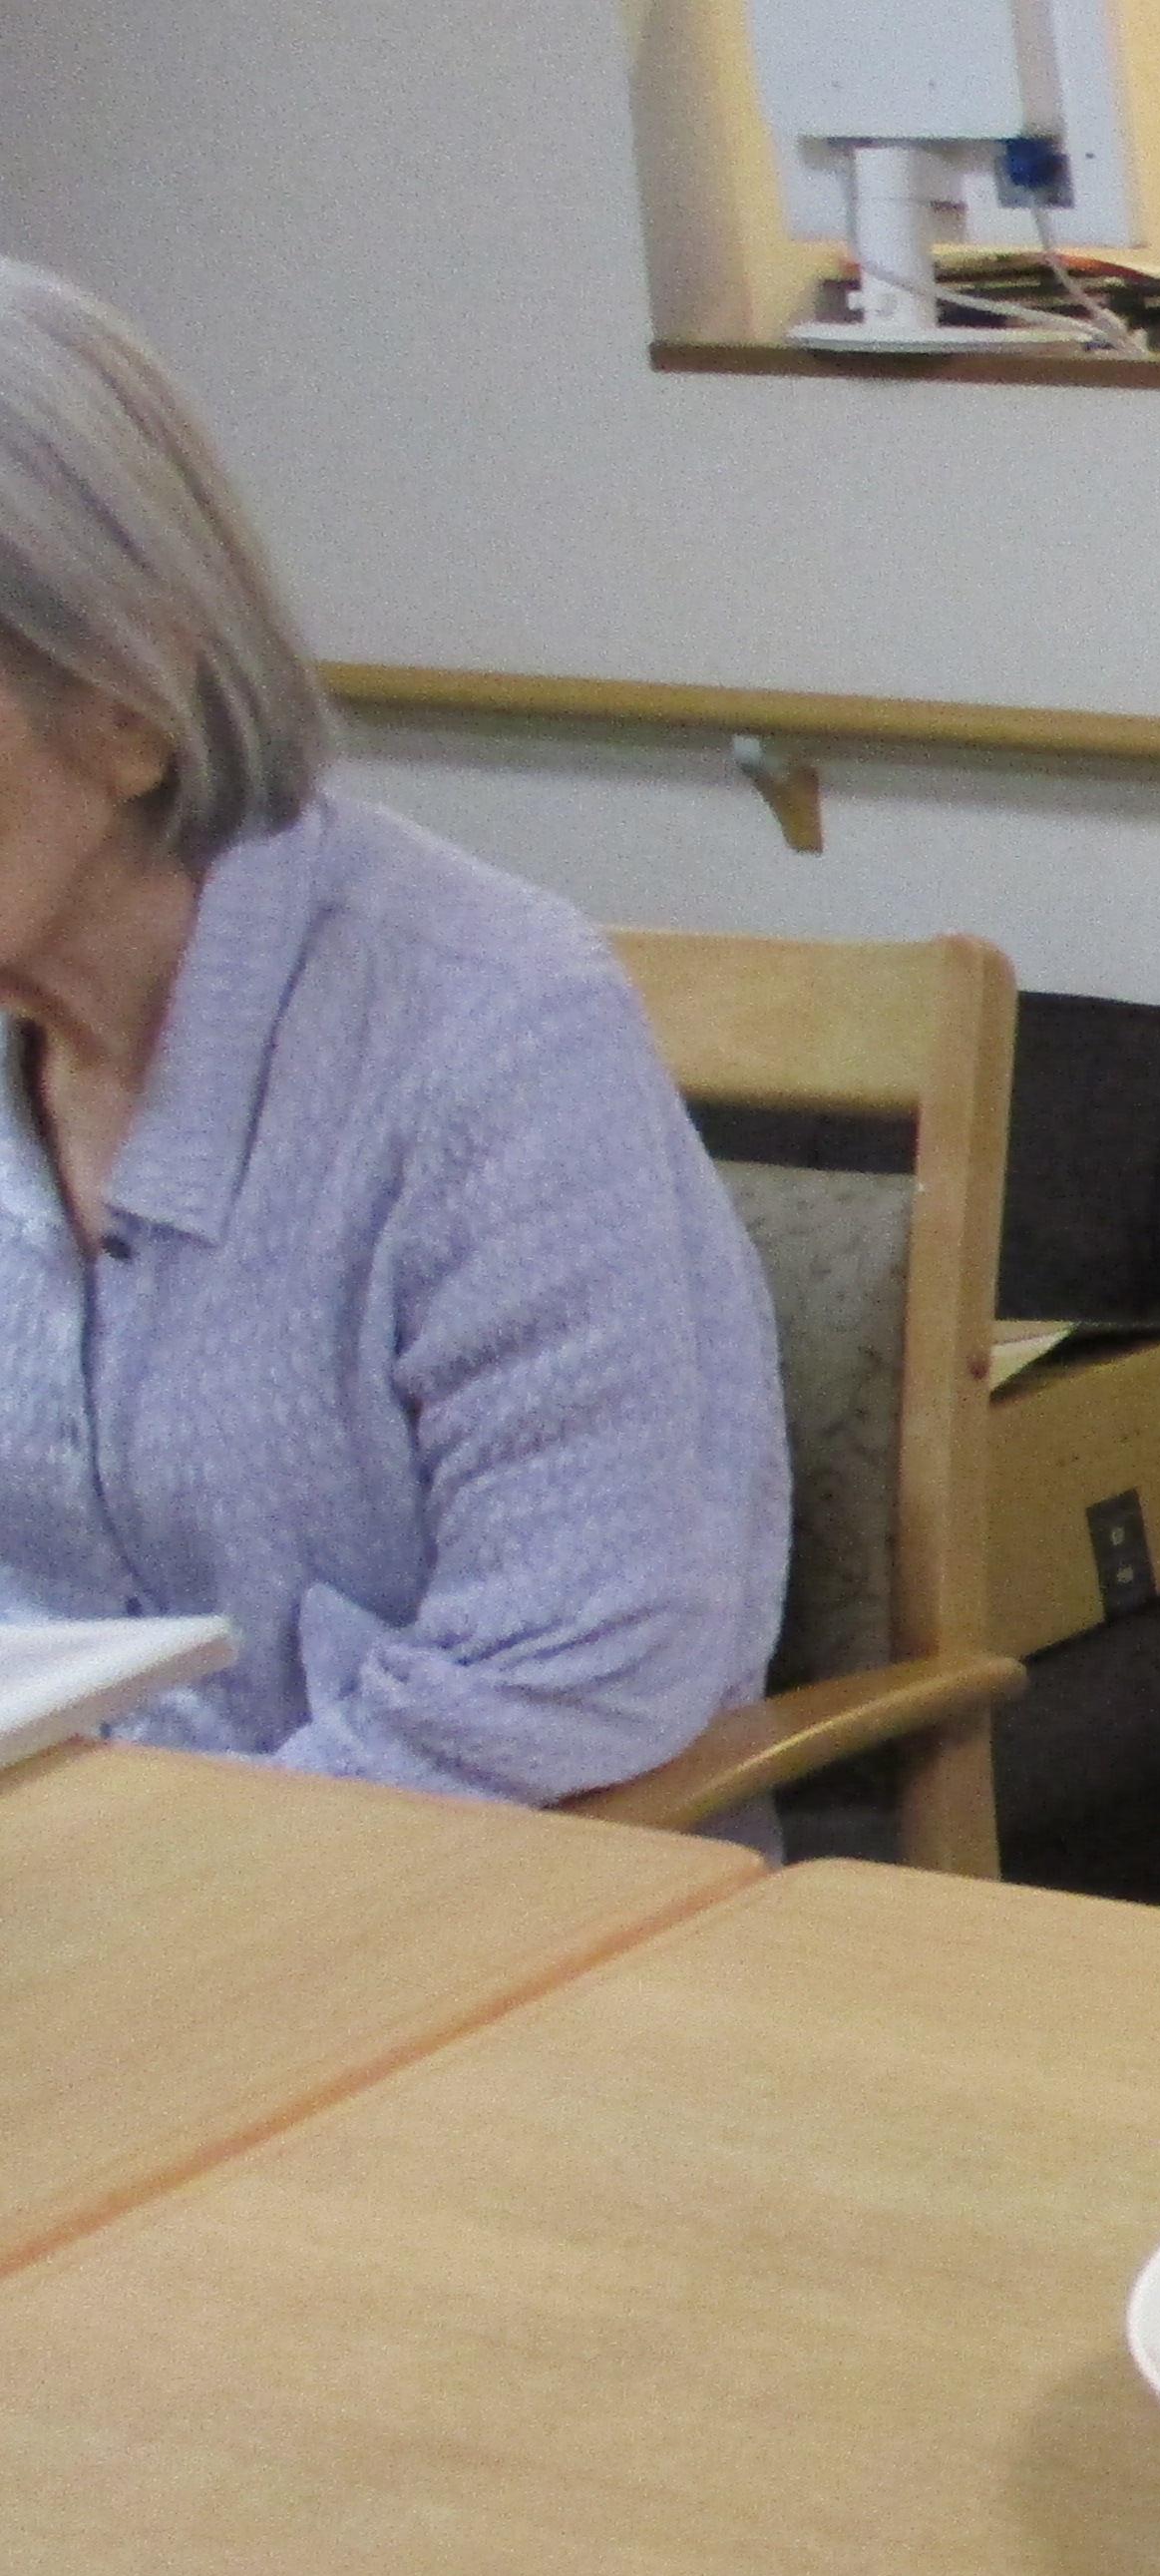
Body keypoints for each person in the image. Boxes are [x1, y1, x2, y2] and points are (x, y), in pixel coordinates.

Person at [0, 258, 785, 1804]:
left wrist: (168, 1896)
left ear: (128, 698)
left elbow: (579, 1662)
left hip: (447, 1892)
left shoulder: (493, 1036)